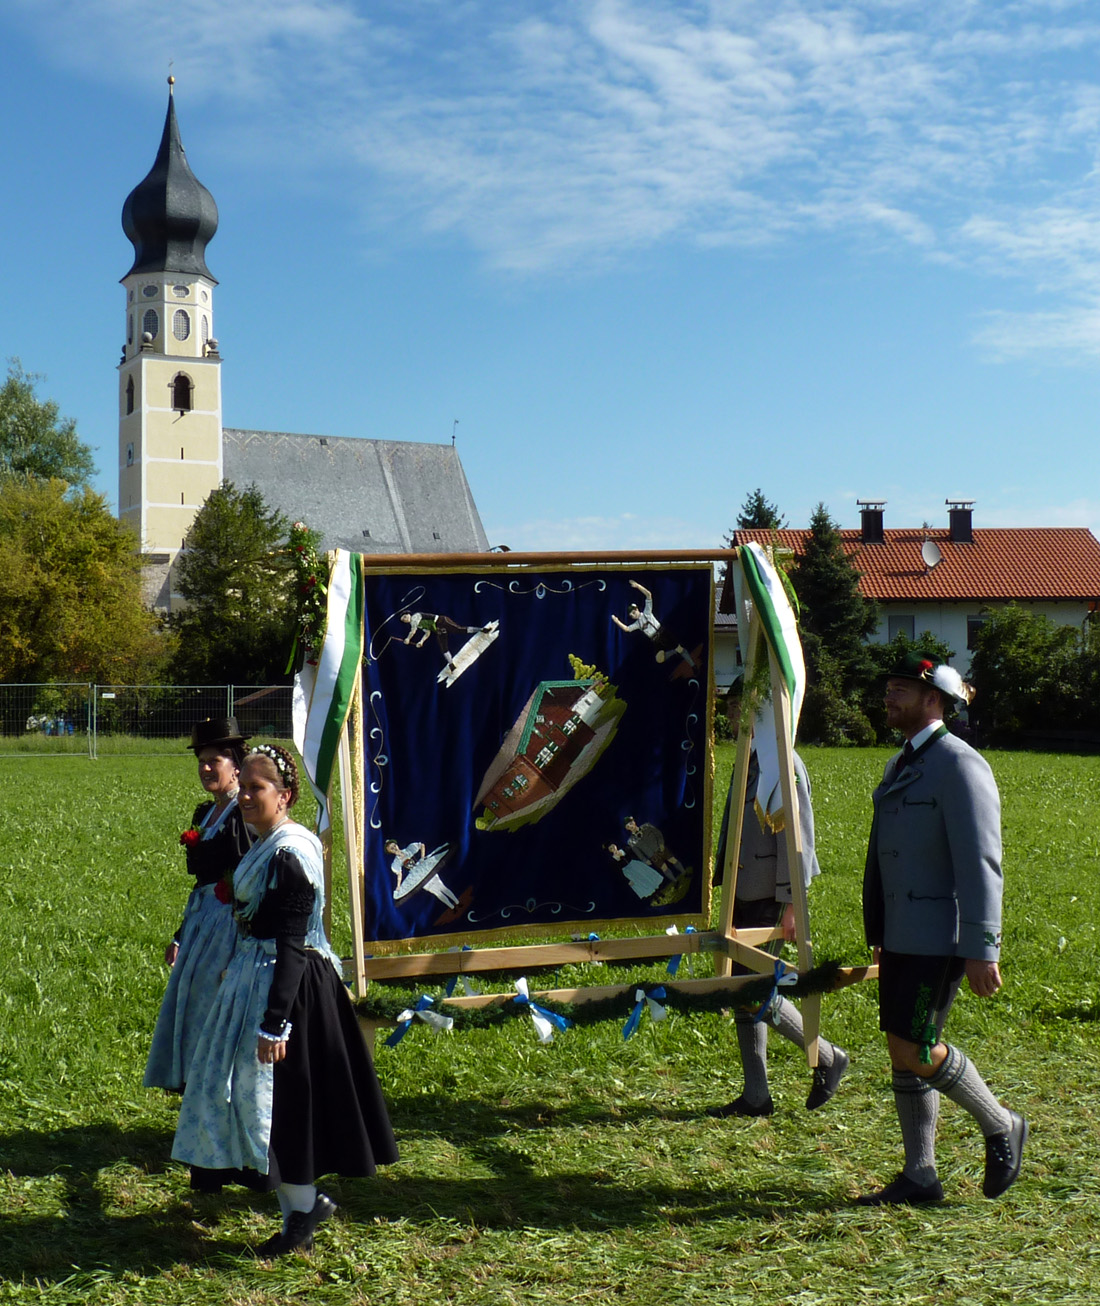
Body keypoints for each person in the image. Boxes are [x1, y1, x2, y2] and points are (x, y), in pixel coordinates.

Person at [172, 744, 398, 1256]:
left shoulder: (290, 852)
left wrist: (276, 1024)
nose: (246, 797)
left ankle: (303, 1213)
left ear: (286, 795)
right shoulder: (266, 842)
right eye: (245, 786)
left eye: (258, 788)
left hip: (291, 992)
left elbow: (293, 944)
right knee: (256, 1103)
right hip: (258, 977)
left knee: (280, 1106)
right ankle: (301, 1209)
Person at [858, 654, 1026, 1205]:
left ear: (934, 699)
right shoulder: (900, 763)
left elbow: (982, 861)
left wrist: (983, 947)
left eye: (900, 689)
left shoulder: (960, 764)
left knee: (917, 1046)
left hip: (939, 936)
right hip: (902, 934)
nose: (889, 697)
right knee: (899, 1048)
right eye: (888, 688)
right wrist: (878, 927)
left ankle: (1001, 1123)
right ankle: (920, 1174)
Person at [707, 733, 848, 1117]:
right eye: (735, 709)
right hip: (742, 889)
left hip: (771, 896)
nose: (737, 718)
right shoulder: (747, 760)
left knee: (754, 989)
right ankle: (756, 1095)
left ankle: (828, 1056)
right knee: (743, 989)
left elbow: (797, 839)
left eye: (745, 709)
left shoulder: (783, 763)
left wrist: (791, 903)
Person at [144, 717, 252, 1099]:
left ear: (236, 766)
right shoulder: (204, 813)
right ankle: (196, 1091)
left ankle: (219, 1093)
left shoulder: (244, 815)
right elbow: (200, 882)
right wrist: (180, 934)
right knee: (190, 1005)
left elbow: (247, 876)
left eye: (215, 762)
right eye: (201, 762)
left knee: (213, 1006)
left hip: (231, 923)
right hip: (202, 919)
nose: (206, 769)